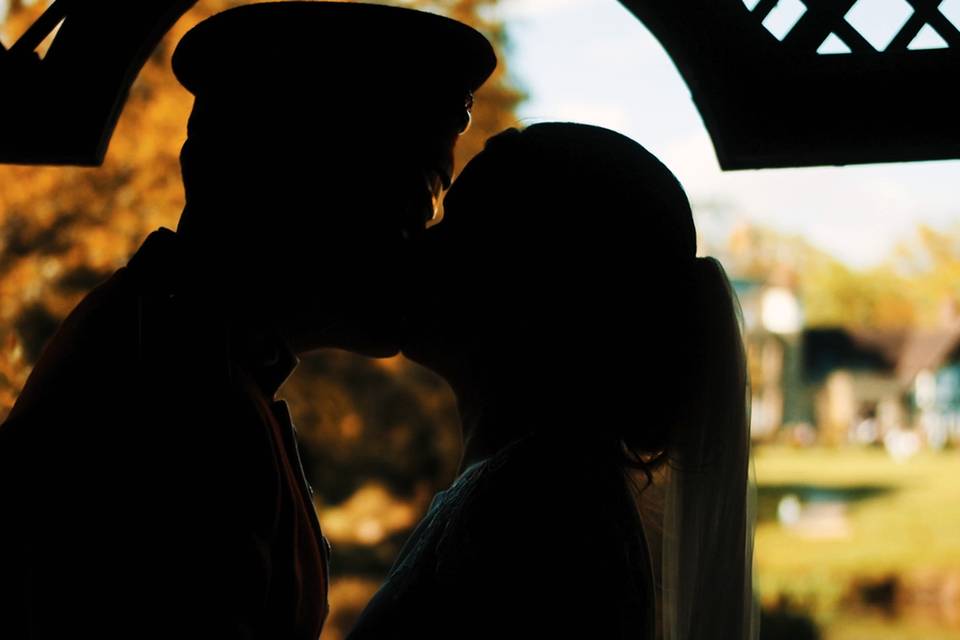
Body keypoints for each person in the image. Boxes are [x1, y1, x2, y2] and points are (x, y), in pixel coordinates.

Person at [0, 3, 495, 638]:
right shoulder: (179, 403)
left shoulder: (174, 346)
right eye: (410, 213)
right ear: (301, 191)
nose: (422, 251)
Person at [348, 123, 757, 640]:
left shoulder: (536, 514)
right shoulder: (541, 487)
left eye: (462, 227)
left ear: (536, 286)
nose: (423, 246)